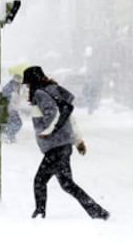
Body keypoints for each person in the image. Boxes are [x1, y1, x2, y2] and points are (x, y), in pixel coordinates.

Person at [22, 65, 110, 220]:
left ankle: (39, 213)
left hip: (55, 147)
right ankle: (98, 212)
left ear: (33, 81)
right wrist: (78, 141)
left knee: (40, 181)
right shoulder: (53, 90)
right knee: (67, 185)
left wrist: (46, 132)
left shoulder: (40, 94)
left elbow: (53, 114)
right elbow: (68, 117)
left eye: (28, 83)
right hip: (64, 146)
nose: (27, 86)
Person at [1, 74, 23, 143]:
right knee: (18, 123)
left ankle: (8, 135)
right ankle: (8, 135)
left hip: (11, 109)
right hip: (9, 109)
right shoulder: (9, 87)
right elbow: (4, 99)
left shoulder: (14, 87)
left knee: (10, 123)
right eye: (19, 81)